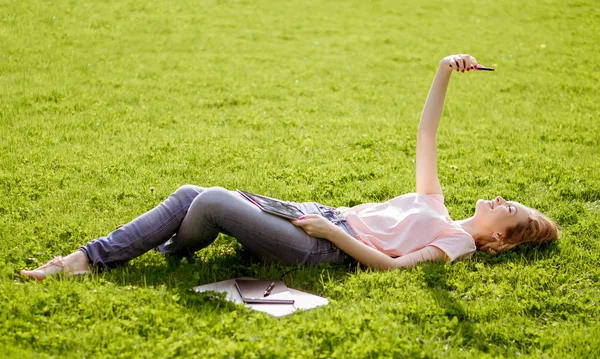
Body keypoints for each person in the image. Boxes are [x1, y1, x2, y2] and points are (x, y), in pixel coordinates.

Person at [20, 54, 559, 280]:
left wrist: (330, 231)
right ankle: (128, 254)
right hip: (312, 217)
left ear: (500, 240)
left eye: (509, 211)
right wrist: (444, 68)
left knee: (205, 200)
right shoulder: (436, 205)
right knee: (192, 194)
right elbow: (426, 133)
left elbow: (393, 268)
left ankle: (91, 262)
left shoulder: (457, 242)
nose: (501, 199)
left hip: (322, 246)